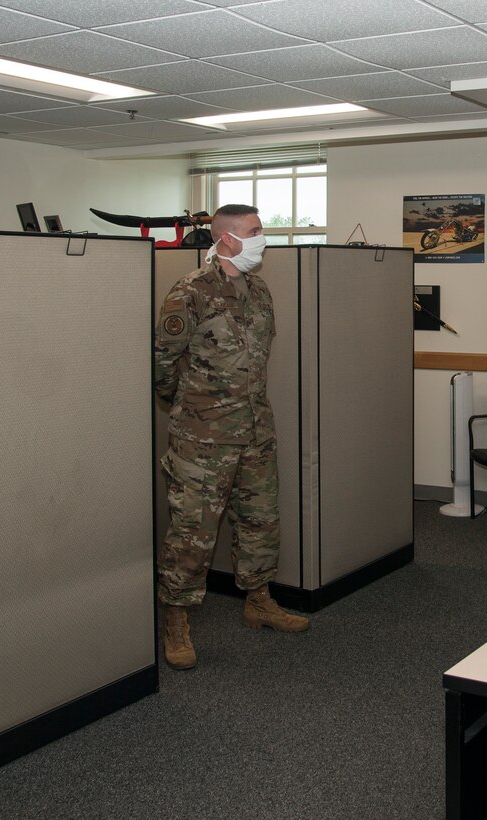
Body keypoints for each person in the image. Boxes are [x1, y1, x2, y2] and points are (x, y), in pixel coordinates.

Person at [154, 203, 309, 670]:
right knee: (192, 532)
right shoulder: (190, 292)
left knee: (261, 522)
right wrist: (195, 407)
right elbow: (162, 363)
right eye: (255, 231)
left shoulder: (259, 290)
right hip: (203, 439)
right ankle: (176, 620)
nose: (263, 238)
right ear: (226, 239)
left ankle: (258, 600)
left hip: (256, 430)